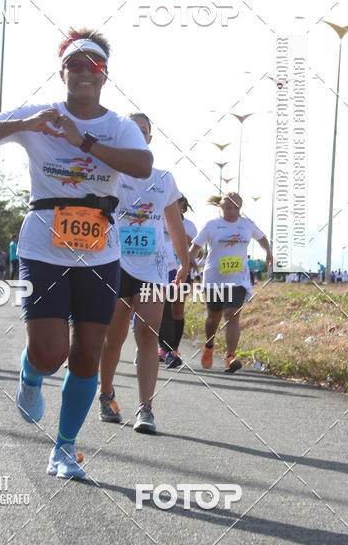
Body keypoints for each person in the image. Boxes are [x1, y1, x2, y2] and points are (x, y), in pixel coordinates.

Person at [0, 28, 152, 479]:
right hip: (44, 247)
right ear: (62, 71)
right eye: (75, 65)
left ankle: (64, 450)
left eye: (94, 65)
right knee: (50, 353)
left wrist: (82, 141)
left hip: (100, 252)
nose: (84, 72)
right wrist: (26, 126)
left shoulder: (119, 126)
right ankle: (30, 377)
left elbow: (142, 167)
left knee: (88, 354)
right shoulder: (40, 114)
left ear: (106, 75)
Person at [98, 113, 188, 433]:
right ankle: (106, 395)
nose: (137, 136)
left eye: (143, 132)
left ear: (149, 140)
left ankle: (145, 408)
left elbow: (174, 225)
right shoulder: (108, 175)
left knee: (147, 335)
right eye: (131, 132)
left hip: (152, 270)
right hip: (115, 265)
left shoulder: (163, 179)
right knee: (114, 337)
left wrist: (185, 263)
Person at [189, 193, 273, 374]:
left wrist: (268, 252)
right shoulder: (212, 225)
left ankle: (230, 356)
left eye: (236, 207)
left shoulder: (247, 224)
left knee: (232, 314)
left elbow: (262, 239)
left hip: (238, 279)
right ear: (222, 207)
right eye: (229, 207)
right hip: (214, 279)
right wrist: (188, 259)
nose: (233, 211)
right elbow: (196, 246)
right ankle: (209, 346)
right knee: (213, 318)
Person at [158, 194, 196, 368]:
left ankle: (173, 348)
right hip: (159, 269)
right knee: (163, 309)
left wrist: (188, 246)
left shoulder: (189, 226)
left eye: (176, 202)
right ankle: (162, 349)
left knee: (177, 311)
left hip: (180, 270)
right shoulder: (158, 217)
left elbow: (199, 250)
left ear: (182, 205)